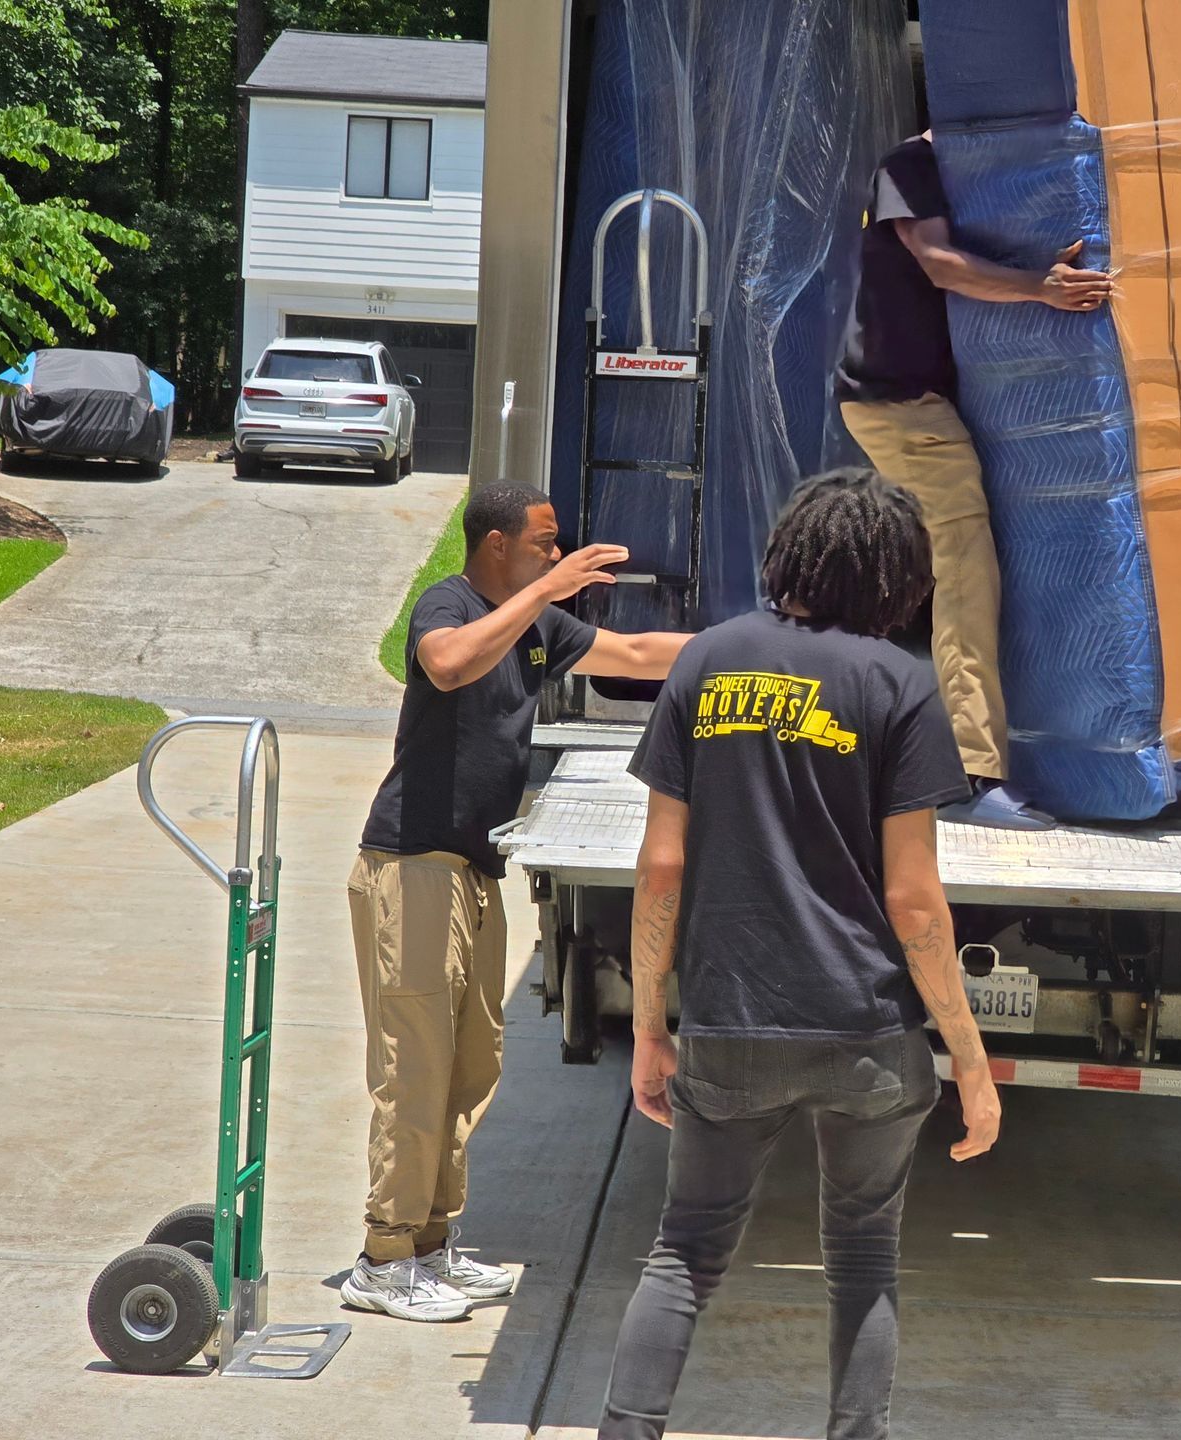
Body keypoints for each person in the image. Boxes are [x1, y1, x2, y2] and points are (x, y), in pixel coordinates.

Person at [598, 467, 1003, 1440]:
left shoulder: (707, 662)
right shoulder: (900, 685)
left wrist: (651, 1027)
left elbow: (660, 868)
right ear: (892, 578)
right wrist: (973, 1062)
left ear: (794, 553)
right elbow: (913, 899)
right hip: (866, 1033)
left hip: (729, 1026)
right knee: (863, 1260)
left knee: (684, 1252)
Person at [342, 482, 692, 1322]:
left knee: (470, 1065)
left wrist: (761, 647)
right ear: (496, 542)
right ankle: (383, 1261)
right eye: (543, 542)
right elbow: (447, 663)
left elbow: (640, 655)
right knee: (414, 1071)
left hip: (473, 868)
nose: (555, 553)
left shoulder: (539, 626)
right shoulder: (450, 603)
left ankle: (431, 1245)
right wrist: (547, 587)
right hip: (410, 863)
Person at [835, 130, 1113, 828]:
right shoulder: (911, 164)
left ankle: (908, 742)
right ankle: (969, 774)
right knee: (964, 574)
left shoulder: (971, 176)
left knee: (949, 573)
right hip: (900, 404)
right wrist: (1038, 287)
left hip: (924, 402)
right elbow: (937, 263)